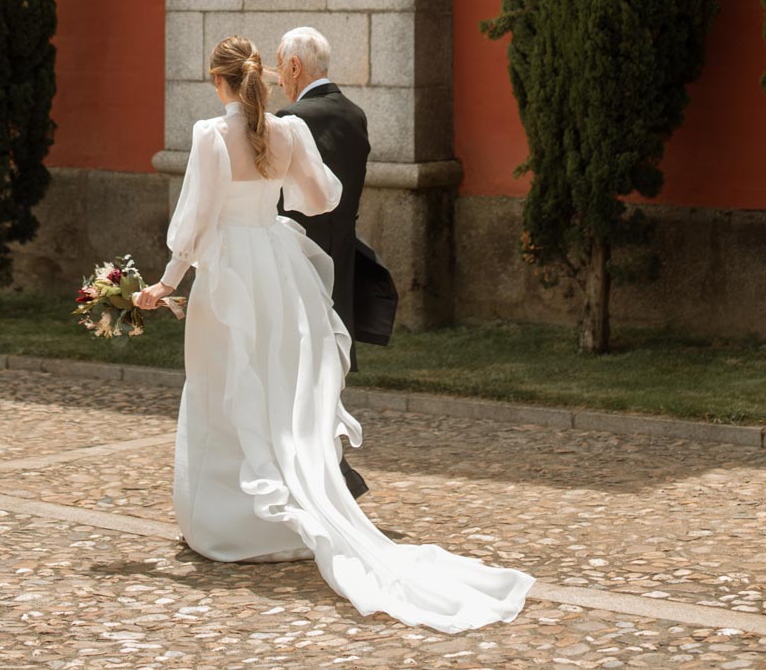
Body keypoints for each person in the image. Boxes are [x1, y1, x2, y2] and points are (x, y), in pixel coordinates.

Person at [137, 35, 534, 632]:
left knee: (224, 386)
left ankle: (226, 524)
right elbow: (325, 197)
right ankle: (282, 518)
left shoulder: (210, 137)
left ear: (218, 82)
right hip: (279, 264)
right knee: (279, 389)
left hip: (231, 277)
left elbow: (192, 229)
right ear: (264, 79)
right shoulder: (287, 131)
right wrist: (277, 199)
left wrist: (162, 286)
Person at [274, 25, 373, 499]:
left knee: (297, 370)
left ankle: (317, 474)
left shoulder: (291, 118)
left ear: (294, 67)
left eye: (279, 67)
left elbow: (280, 199)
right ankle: (332, 470)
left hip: (300, 260)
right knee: (330, 365)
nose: (277, 80)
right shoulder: (355, 115)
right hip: (343, 258)